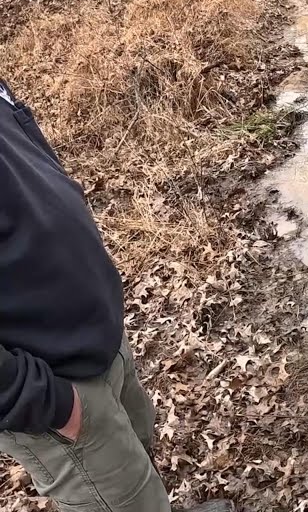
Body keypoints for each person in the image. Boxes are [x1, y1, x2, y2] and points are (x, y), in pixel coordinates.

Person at [0, 79, 231, 512]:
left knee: (139, 454)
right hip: (51, 383)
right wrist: (43, 401)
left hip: (95, 336)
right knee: (121, 499)